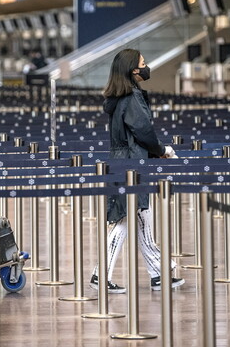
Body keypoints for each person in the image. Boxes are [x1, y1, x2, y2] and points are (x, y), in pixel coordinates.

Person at [89, 48, 185, 294]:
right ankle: (102, 274)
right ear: (133, 69)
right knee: (126, 219)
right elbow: (142, 130)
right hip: (132, 163)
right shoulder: (131, 97)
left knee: (141, 217)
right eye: (143, 63)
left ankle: (158, 273)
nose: (146, 66)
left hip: (125, 160)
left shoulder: (121, 97)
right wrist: (161, 149)